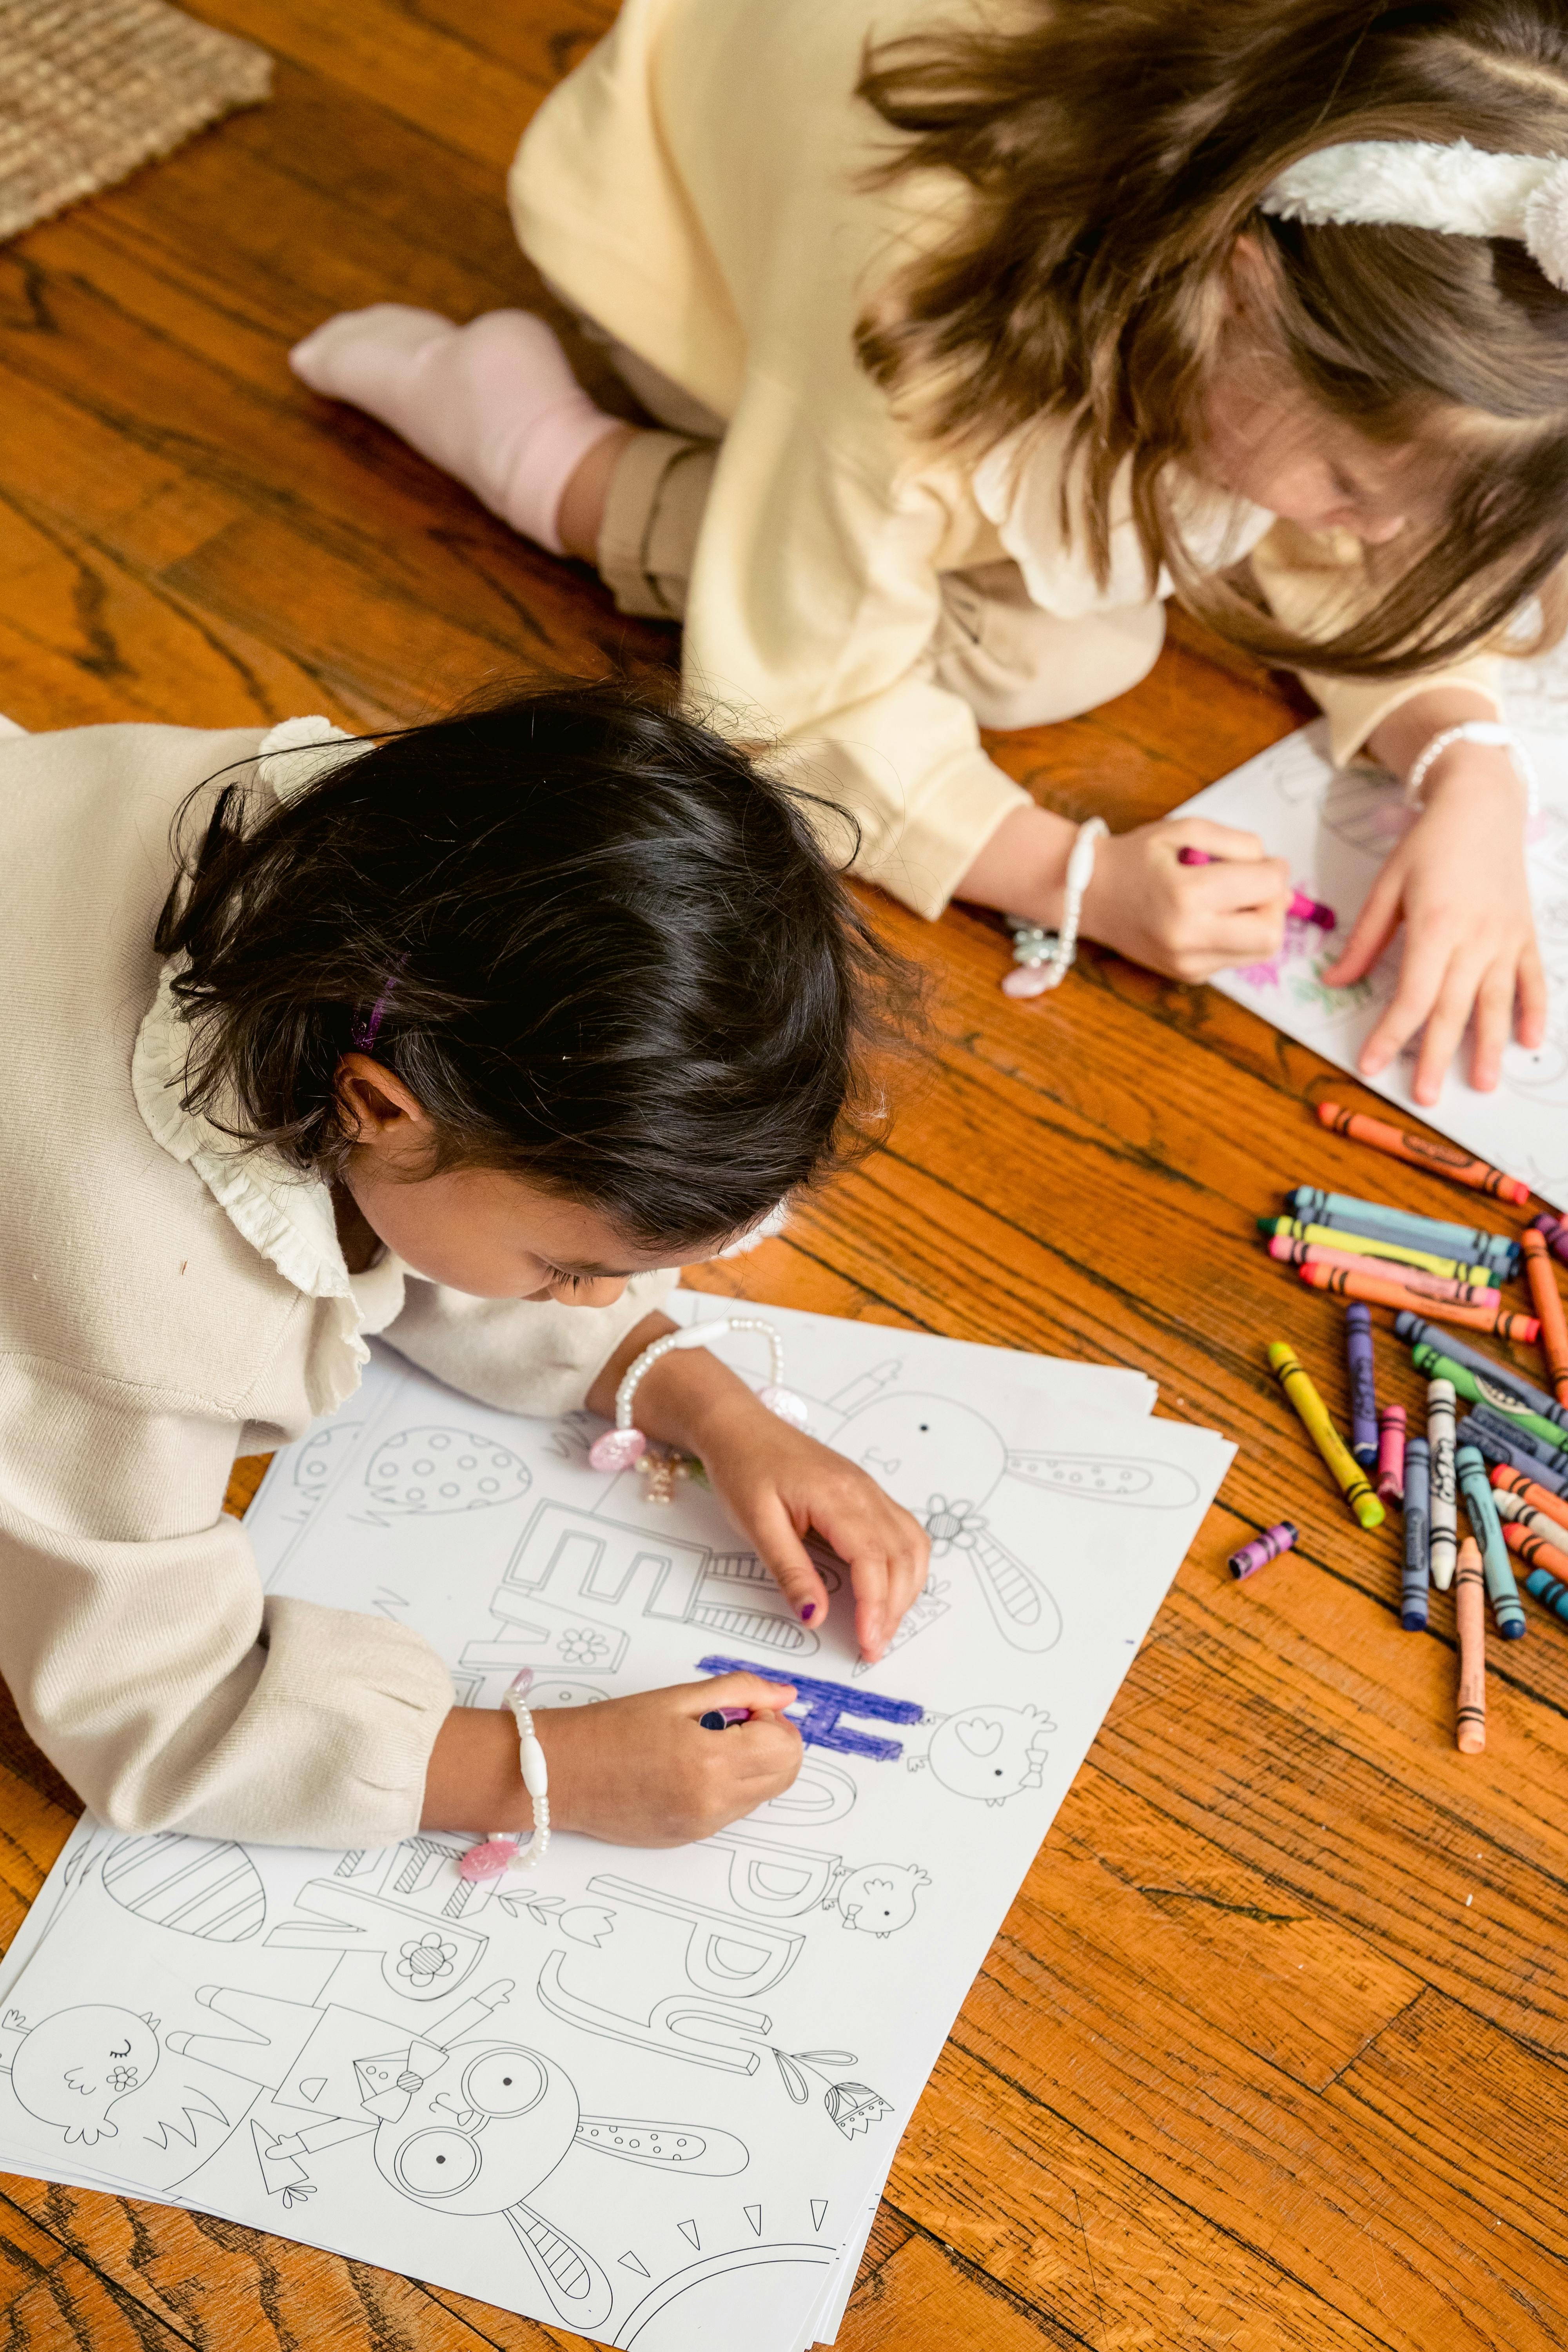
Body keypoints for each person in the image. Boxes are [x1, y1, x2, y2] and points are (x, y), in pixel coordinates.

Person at [290, 0, 1568, 1106]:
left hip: (956, 230)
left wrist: (1467, 767)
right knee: (1044, 650)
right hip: (676, 230)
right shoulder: (914, 340)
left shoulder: (1303, 209)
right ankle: (548, 460)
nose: (1384, 539)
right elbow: (797, 695)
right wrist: (1078, 881)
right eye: (1352, 488)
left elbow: (1376, 515)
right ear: (1239, 295)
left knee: (1235, 552)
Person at [0, 680, 929, 1847]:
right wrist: (534, 1769)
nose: (602, 1299)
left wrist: (699, 1395)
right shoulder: (130, 1297)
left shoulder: (397, 868)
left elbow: (438, 1186)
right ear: (376, 1106)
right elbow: (145, 1707)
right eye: (565, 1270)